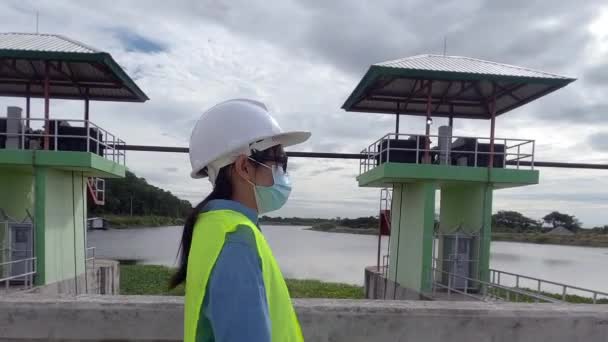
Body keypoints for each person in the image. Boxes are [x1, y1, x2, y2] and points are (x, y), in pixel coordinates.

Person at [170, 99, 311, 342]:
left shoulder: (212, 225)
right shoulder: (237, 241)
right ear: (245, 166)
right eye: (279, 161)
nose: (284, 173)